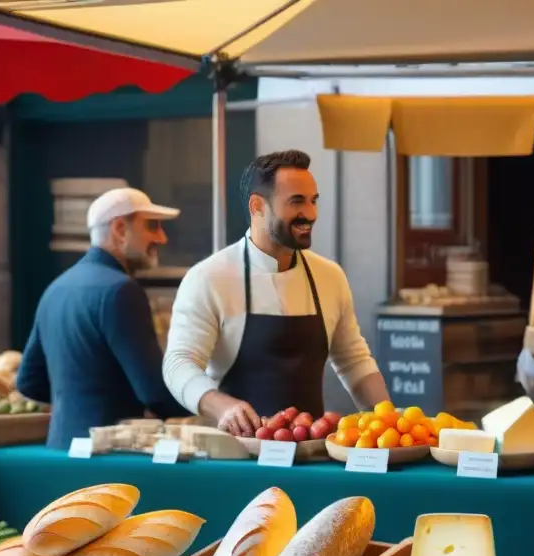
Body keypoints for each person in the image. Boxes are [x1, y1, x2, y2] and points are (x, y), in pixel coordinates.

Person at [163, 150, 388, 436]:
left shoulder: (329, 276)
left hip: (310, 455)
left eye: (313, 201)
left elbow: (354, 361)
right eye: (297, 202)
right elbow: (179, 364)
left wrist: (389, 420)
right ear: (257, 206)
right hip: (235, 455)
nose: (311, 214)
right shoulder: (209, 277)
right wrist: (222, 407)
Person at [17, 187, 190, 449]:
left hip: (60, 446)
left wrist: (82, 401)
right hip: (108, 454)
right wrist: (210, 402)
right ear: (120, 229)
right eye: (152, 226)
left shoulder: (56, 288)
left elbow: (29, 383)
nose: (162, 237)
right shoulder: (122, 290)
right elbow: (155, 392)